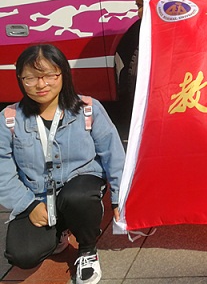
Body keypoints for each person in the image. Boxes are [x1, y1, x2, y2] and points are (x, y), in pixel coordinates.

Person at [0, 44, 126, 284]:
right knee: (22, 255)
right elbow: (2, 171)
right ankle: (60, 231)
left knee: (77, 197)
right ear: (20, 79)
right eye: (31, 78)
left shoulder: (88, 109)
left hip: (80, 186)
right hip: (37, 196)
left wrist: (119, 197)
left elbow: (113, 154)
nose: (41, 84)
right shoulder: (10, 119)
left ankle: (87, 250)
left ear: (63, 74)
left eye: (49, 75)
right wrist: (28, 204)